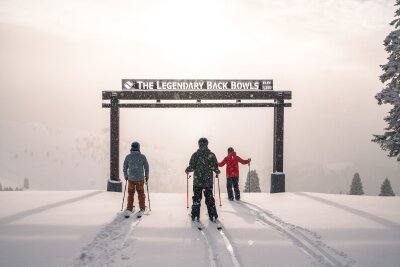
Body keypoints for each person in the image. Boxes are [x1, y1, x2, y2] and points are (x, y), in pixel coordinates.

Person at [185, 138, 220, 222]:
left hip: (198, 182)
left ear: (199, 144)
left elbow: (192, 167)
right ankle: (213, 215)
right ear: (207, 144)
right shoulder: (211, 155)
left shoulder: (195, 155)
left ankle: (195, 215)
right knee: (209, 198)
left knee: (196, 199)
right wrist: (217, 171)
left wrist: (187, 170)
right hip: (208, 182)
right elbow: (214, 166)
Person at [123, 141, 149, 217]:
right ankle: (142, 208)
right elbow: (146, 167)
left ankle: (129, 208)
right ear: (138, 148)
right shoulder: (142, 157)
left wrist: (126, 175)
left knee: (130, 194)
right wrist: (146, 176)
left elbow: (125, 167)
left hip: (131, 178)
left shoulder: (128, 157)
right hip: (140, 179)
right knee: (141, 194)